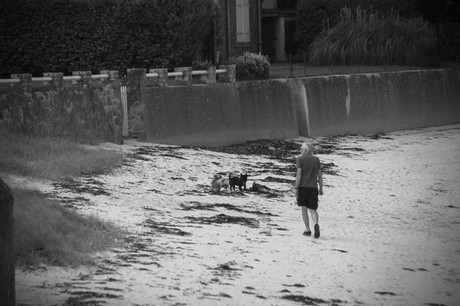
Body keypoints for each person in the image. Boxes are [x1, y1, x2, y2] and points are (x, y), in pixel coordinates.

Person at [294, 142, 323, 238]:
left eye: (301, 149)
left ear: (305, 150)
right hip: (313, 188)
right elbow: (319, 175)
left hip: (303, 187)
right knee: (313, 209)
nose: (300, 150)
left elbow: (299, 175)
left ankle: (308, 229)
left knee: (304, 209)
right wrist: (321, 188)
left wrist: (296, 187)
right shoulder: (316, 159)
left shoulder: (300, 159)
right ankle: (316, 224)